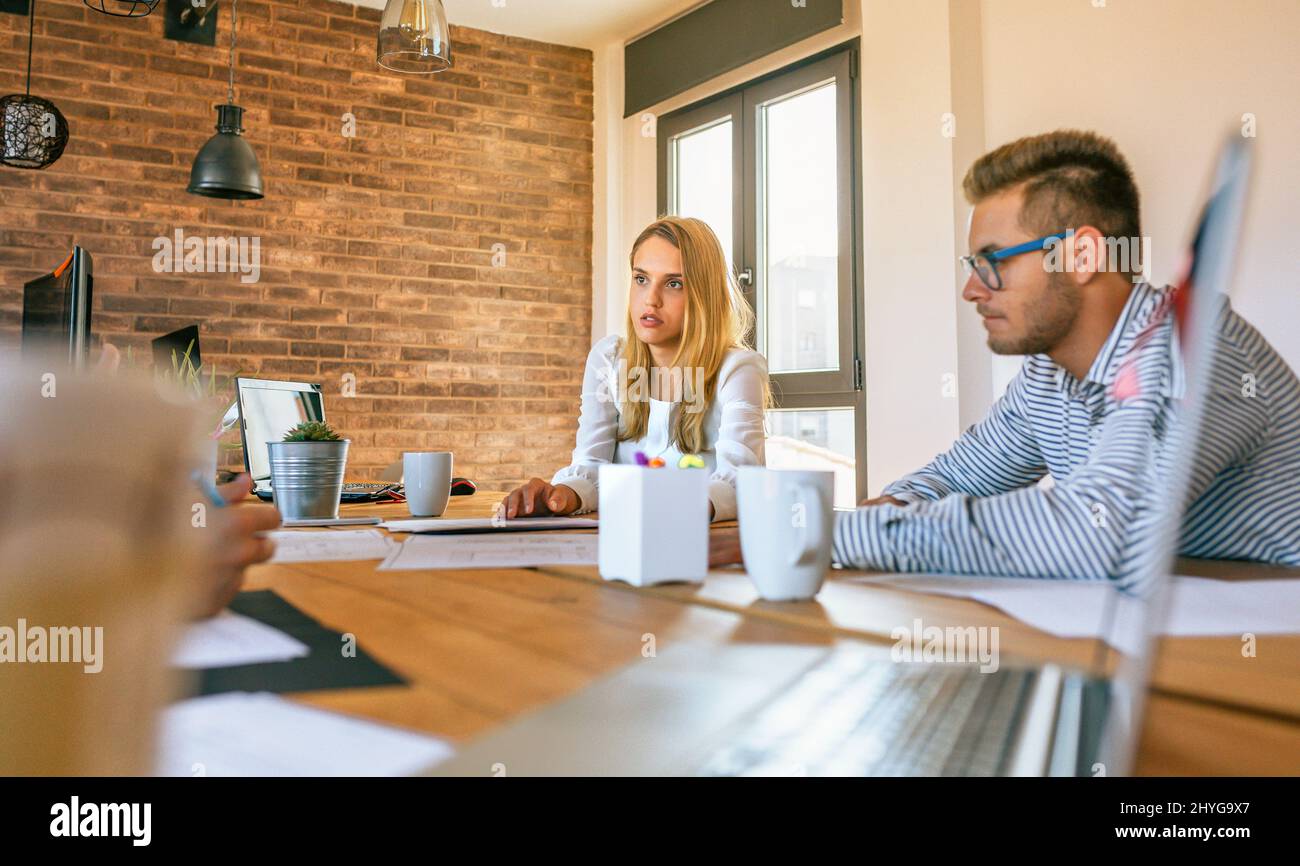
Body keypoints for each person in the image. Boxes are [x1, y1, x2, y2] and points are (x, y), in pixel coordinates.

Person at [714, 129, 1300, 579]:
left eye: (992, 262)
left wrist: (806, 534)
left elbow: (1098, 532)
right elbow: (953, 476)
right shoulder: (1048, 375)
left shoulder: (1192, 347)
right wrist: (884, 508)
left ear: (1081, 255)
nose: (971, 289)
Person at [502, 216, 767, 522]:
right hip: (624, 535)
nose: (651, 300)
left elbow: (741, 481)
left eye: (674, 284)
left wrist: (678, 506)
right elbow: (591, 464)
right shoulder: (609, 359)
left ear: (703, 295)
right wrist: (562, 495)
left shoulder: (736, 370)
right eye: (641, 279)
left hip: (701, 544)